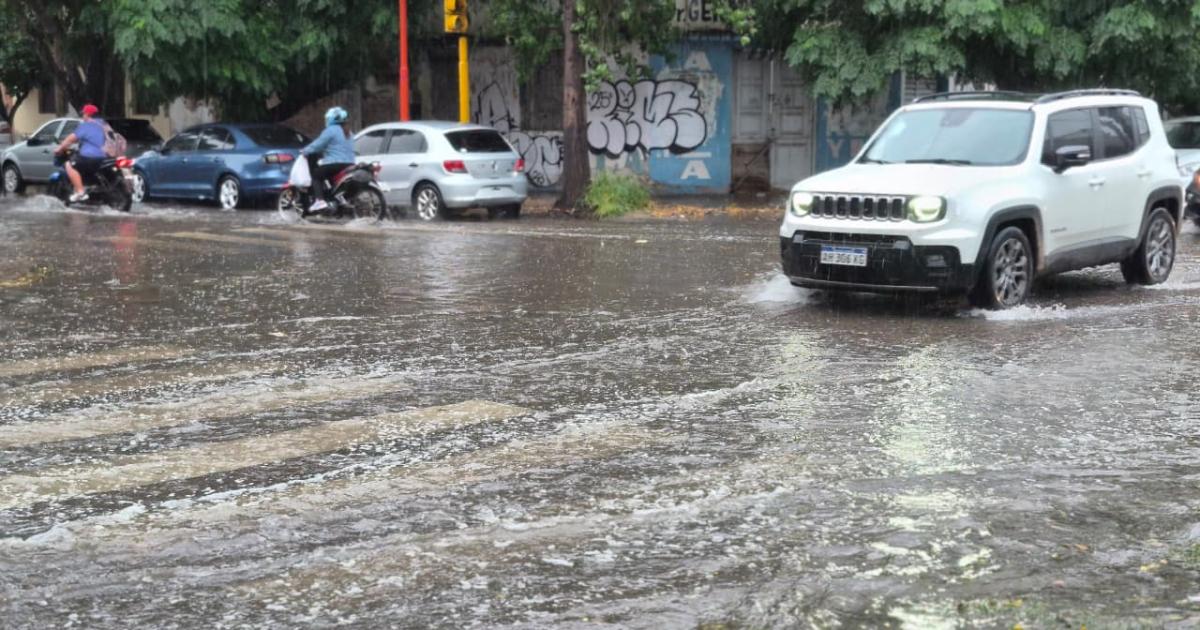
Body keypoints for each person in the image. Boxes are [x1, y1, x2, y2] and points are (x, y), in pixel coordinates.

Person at [301, 106, 355, 211]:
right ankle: (333, 200)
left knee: (316, 175)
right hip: (349, 164)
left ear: (331, 119)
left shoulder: (330, 130)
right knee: (329, 179)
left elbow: (318, 144)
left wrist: (305, 151)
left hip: (335, 163)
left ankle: (319, 200)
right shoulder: (349, 132)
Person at [55, 104, 107, 203]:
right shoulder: (103, 124)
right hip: (104, 157)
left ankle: (80, 191)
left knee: (69, 165)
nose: (83, 116)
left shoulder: (86, 125)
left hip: (89, 157)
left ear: (88, 114)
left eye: (84, 114)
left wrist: (60, 148)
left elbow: (70, 139)